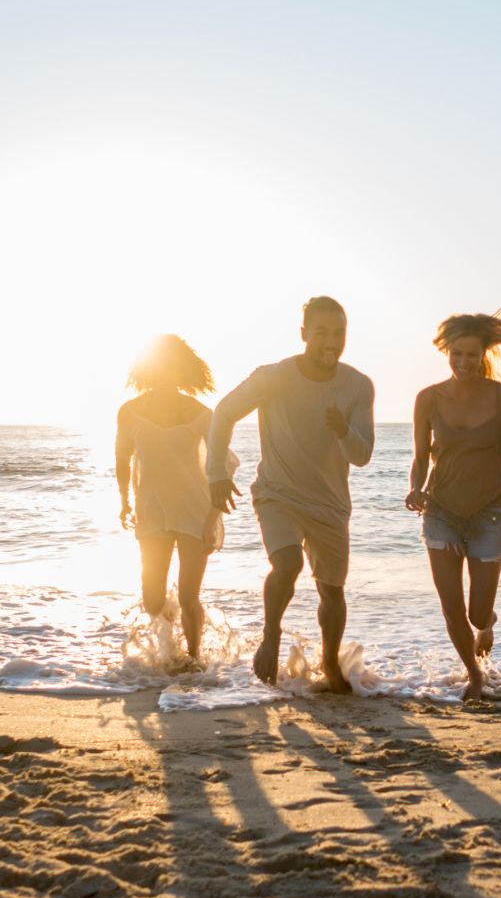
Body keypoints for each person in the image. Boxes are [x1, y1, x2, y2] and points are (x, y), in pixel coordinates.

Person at [207, 296, 374, 693]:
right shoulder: (274, 377)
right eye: (321, 332)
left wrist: (342, 430)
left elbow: (362, 455)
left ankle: (330, 663)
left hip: (330, 503)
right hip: (277, 493)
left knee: (332, 591)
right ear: (303, 334)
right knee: (288, 564)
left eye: (339, 333)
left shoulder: (358, 385)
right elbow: (223, 413)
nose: (331, 342)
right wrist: (215, 471)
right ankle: (271, 636)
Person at [406, 310, 501, 700]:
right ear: (446, 351)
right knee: (452, 608)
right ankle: (474, 675)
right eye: (457, 354)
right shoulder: (427, 398)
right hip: (441, 512)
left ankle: (488, 624)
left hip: (488, 512)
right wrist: (415, 488)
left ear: (483, 354)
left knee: (477, 613)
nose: (464, 363)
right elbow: (419, 457)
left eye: (471, 355)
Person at [115, 334, 227, 669]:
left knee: (189, 596)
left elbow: (222, 466)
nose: (164, 375)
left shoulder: (201, 413)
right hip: (151, 509)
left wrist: (212, 517)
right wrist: (124, 501)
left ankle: (193, 662)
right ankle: (166, 648)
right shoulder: (130, 412)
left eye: (171, 368)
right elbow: (122, 459)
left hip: (195, 509)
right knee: (152, 598)